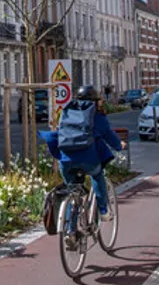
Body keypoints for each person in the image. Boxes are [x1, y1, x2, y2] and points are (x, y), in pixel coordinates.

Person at [39, 85, 125, 235]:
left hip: (66, 161)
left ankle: (70, 231)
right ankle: (104, 210)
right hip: (88, 161)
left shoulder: (67, 113)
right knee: (97, 175)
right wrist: (119, 146)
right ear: (95, 101)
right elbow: (110, 138)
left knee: (72, 190)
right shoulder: (97, 117)